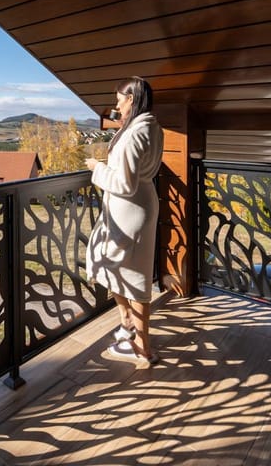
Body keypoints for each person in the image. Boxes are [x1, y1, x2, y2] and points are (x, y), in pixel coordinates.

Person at [85, 76, 163, 365]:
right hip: (139, 206)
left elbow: (125, 183)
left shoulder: (135, 134)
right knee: (121, 269)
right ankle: (128, 321)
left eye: (119, 98)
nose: (116, 104)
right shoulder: (152, 128)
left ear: (131, 98)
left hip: (129, 210)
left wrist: (97, 168)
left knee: (128, 273)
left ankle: (143, 347)